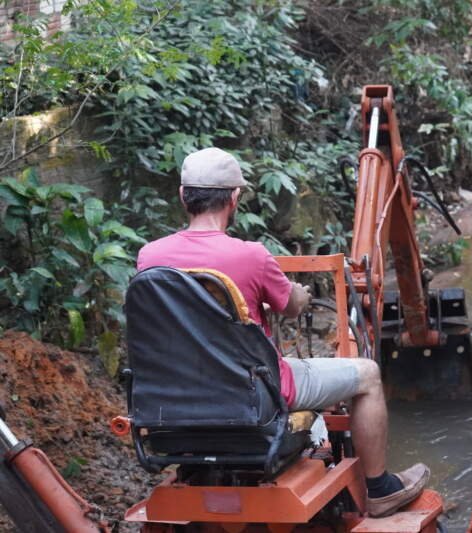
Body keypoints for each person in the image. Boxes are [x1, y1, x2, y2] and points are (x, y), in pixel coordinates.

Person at [136, 147, 429, 517]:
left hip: (175, 398)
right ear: (234, 198)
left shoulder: (149, 258)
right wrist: (300, 293)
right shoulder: (252, 256)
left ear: (183, 196)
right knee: (367, 374)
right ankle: (380, 488)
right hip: (254, 397)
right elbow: (291, 305)